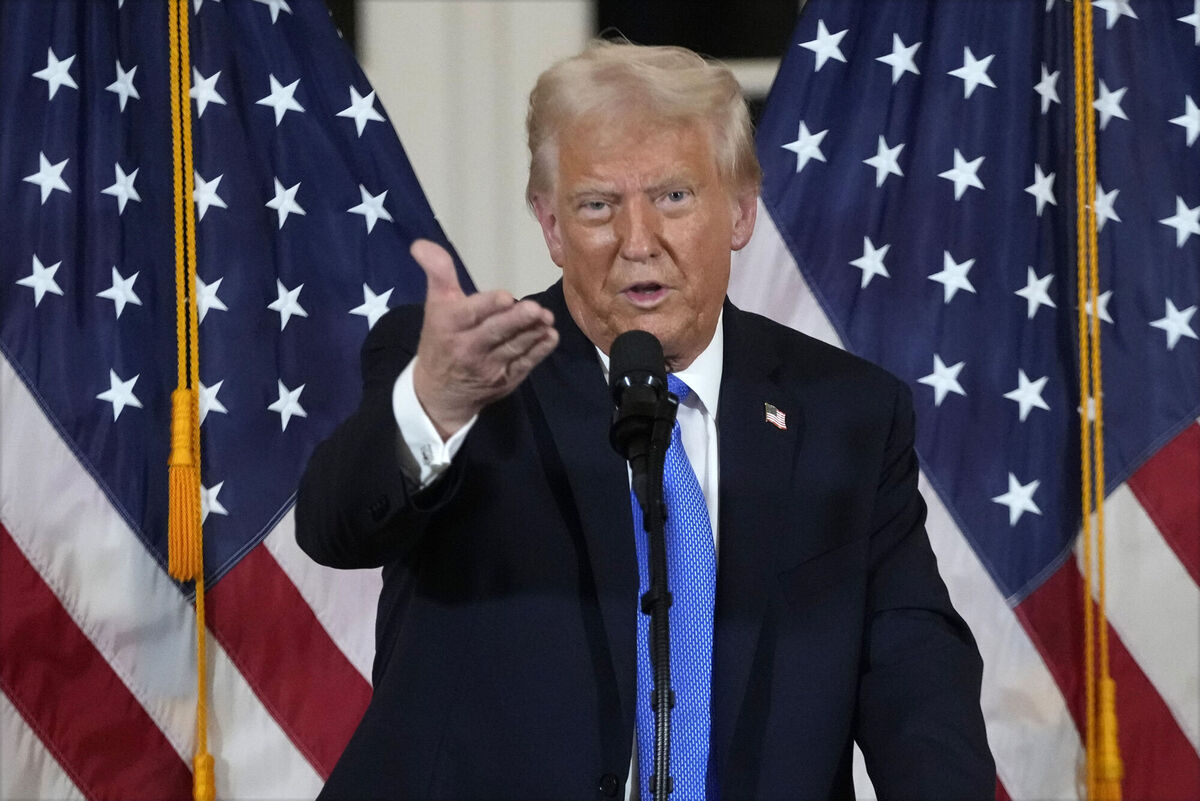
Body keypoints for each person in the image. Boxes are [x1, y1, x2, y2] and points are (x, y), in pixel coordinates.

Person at [296, 40, 995, 800]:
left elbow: (916, 674)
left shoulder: (846, 413)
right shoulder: (471, 379)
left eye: (673, 197)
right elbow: (336, 527)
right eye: (598, 205)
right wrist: (436, 402)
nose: (637, 242)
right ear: (552, 225)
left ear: (740, 210)